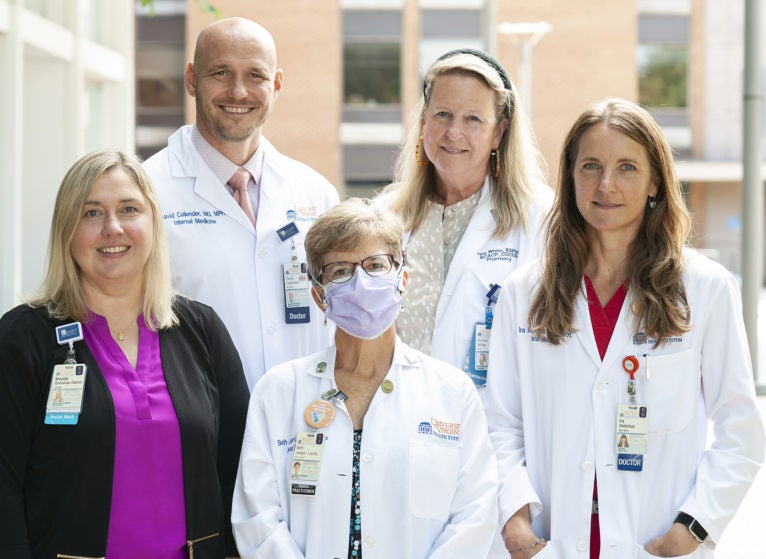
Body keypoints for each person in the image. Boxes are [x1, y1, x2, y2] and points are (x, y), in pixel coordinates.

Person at [484, 99, 765, 559]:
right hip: (549, 543)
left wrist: (691, 528)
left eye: (627, 168)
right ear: (570, 176)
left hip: (655, 543)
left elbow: (740, 428)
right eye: (590, 166)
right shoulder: (524, 291)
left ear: (656, 181)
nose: (606, 185)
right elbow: (500, 423)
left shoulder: (703, 288)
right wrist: (516, 523)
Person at [0, 150, 249, 558]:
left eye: (129, 209)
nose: (112, 228)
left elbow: (238, 470)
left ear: (152, 222)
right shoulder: (23, 338)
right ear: (67, 230)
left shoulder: (201, 330)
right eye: (92, 213)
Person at [231, 199, 498, 558]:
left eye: (375, 265)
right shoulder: (278, 391)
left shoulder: (451, 392)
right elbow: (257, 519)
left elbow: (474, 515)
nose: (361, 282)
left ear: (402, 278)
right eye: (340, 271)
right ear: (318, 295)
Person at [143, 17, 339, 390]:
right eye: (220, 72)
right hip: (202, 430)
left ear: (276, 84)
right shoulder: (147, 192)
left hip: (306, 425)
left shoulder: (316, 193)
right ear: (191, 79)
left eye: (255, 76)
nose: (238, 91)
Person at [376, 48, 552, 388]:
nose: (453, 132)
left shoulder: (541, 220)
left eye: (473, 119)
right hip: (398, 419)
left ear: (498, 133)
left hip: (489, 430)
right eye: (442, 114)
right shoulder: (384, 218)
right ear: (424, 120)